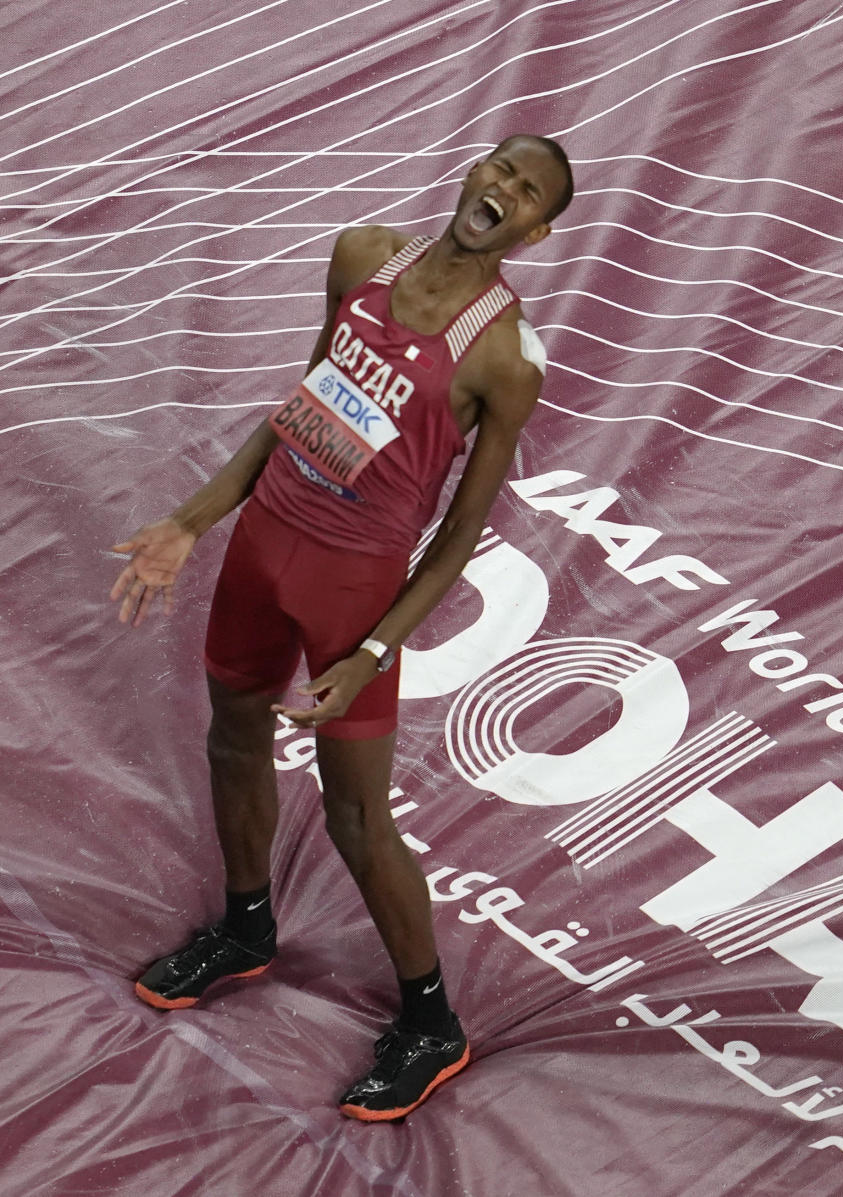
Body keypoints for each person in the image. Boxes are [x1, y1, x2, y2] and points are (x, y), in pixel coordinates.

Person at [109, 134, 574, 1122]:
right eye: (501, 167)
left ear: (536, 230)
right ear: (474, 171)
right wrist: (193, 523)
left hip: (354, 590)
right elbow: (302, 408)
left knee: (359, 818)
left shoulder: (503, 356)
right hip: (266, 541)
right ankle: (244, 930)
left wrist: (372, 652)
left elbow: (456, 539)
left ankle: (431, 1021)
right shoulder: (363, 254)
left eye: (526, 192)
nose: (503, 189)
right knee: (232, 737)